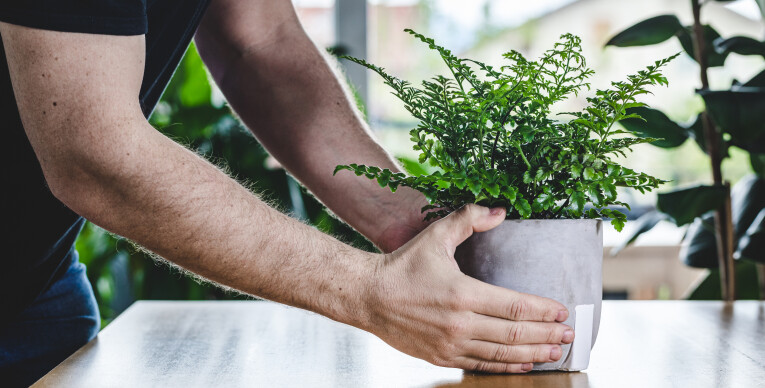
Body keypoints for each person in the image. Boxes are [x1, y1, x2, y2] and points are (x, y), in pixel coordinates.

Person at [0, 1, 574, 385]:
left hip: (35, 286)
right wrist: (371, 293)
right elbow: (90, 152)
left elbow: (259, 40)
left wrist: (406, 216)